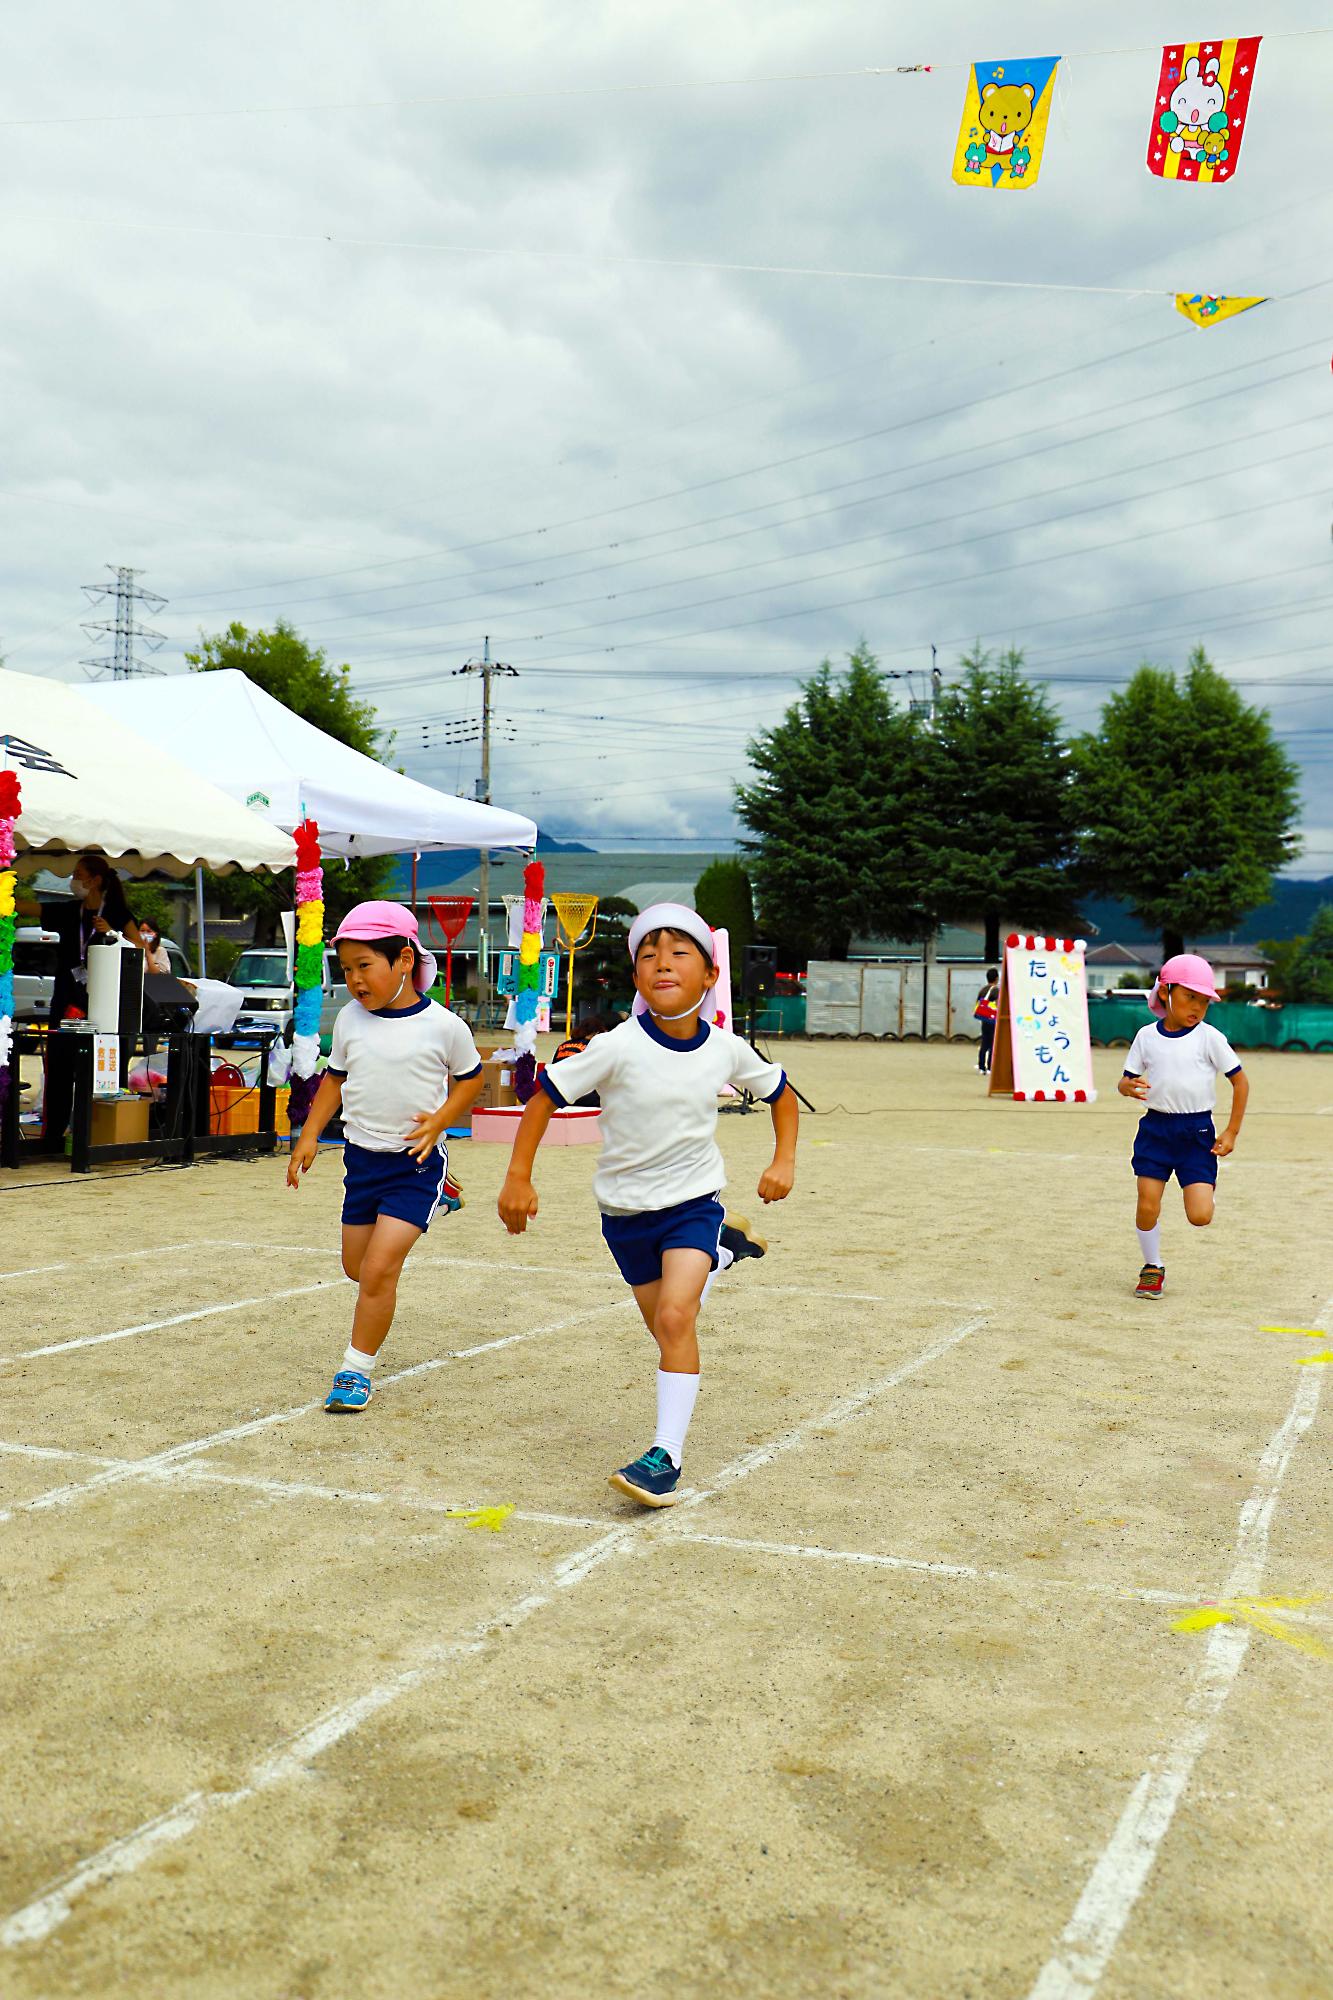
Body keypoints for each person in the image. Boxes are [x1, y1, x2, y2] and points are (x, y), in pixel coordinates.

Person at [498, 902, 798, 1508]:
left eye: (679, 951)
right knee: (665, 1330)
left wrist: (783, 1160)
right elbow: (543, 1099)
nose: (663, 963)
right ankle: (721, 1257)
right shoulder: (615, 1045)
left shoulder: (726, 1048)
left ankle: (665, 1456)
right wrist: (518, 1177)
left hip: (692, 1203)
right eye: (649, 954)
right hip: (624, 1218)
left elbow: (781, 1092)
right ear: (636, 977)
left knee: (674, 1321)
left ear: (711, 976)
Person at [286, 901, 485, 1411]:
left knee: (377, 1272)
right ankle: (446, 1195)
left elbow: (471, 1081)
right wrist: (309, 1136)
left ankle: (354, 1371)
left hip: (415, 1164)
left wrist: (441, 1121)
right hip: (362, 1161)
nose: (354, 980)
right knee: (356, 1266)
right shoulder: (351, 1019)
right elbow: (336, 1078)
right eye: (346, 969)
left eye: (364, 967)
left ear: (402, 961)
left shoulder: (444, 1026)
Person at [1117, 954, 1248, 1301]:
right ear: (1166, 992)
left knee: (1200, 1216)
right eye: (1190, 996)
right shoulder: (1146, 1037)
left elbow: (1241, 1082)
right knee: (1147, 1205)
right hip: (1156, 1131)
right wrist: (1126, 1087)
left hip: (1197, 1134)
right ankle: (1152, 1266)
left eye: (1204, 1001)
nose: (1197, 1007)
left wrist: (1231, 1132)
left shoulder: (1210, 1038)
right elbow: (1126, 1080)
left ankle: (1203, 1188)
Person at [17, 851, 145, 1139]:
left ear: (95, 880)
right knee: (60, 1064)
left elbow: (139, 951)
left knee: (102, 1066)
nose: (73, 880)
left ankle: (99, 1132)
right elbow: (31, 908)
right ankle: (54, 1133)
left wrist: (112, 933)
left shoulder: (117, 913)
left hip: (104, 1001)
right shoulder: (69, 910)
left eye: (78, 875)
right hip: (67, 997)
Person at [974, 968, 999, 1073]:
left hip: (984, 1019)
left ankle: (981, 1066)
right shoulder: (996, 990)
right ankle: (990, 1066)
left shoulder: (982, 990)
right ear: (997, 978)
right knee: (993, 1043)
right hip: (993, 1019)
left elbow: (978, 1003)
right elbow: (998, 1004)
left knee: (984, 1042)